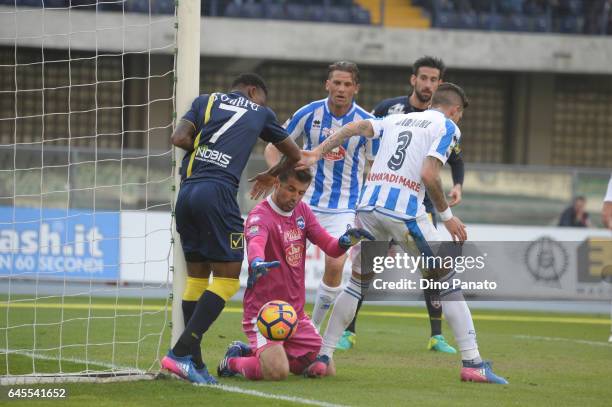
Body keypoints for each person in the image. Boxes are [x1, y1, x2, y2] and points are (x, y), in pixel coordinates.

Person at [299, 83, 508, 384]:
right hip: (404, 211)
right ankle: (473, 362)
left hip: (369, 206)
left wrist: (318, 151)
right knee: (447, 279)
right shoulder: (447, 126)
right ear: (455, 111)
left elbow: (356, 126)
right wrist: (447, 217)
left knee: (357, 283)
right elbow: (428, 174)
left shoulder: (397, 118)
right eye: (460, 115)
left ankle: (323, 355)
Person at [160, 73, 302, 384]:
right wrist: (272, 174)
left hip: (187, 192)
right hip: (218, 192)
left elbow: (179, 138)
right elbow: (294, 154)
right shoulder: (260, 112)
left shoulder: (204, 101)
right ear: (253, 92)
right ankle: (180, 353)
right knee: (226, 280)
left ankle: (193, 363)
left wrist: (207, 148)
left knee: (197, 280)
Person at [339, 56, 463, 353]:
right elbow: (366, 142)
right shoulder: (389, 110)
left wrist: (457, 183)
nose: (428, 85)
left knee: (430, 270)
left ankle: (437, 335)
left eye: (434, 80)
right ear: (413, 80)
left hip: (420, 205)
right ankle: (349, 331)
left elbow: (456, 157)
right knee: (366, 267)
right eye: (424, 78)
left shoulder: (444, 124)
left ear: (440, 85)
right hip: (382, 200)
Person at [216, 168, 374, 381]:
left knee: (325, 369)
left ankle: (257, 352)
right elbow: (256, 242)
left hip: (295, 314)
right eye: (291, 189)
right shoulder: (259, 216)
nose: (295, 197)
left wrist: (345, 241)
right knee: (278, 372)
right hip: (264, 312)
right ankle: (232, 362)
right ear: (277, 183)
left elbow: (329, 245)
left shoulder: (303, 212)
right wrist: (257, 262)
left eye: (301, 192)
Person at [263, 61, 378, 332]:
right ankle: (282, 321)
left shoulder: (366, 123)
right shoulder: (309, 113)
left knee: (336, 261)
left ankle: (312, 329)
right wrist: (276, 176)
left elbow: (374, 166)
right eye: (336, 82)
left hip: (344, 206)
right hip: (302, 202)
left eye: (347, 84)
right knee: (285, 264)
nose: (341, 89)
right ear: (327, 84)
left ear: (356, 88)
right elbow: (272, 147)